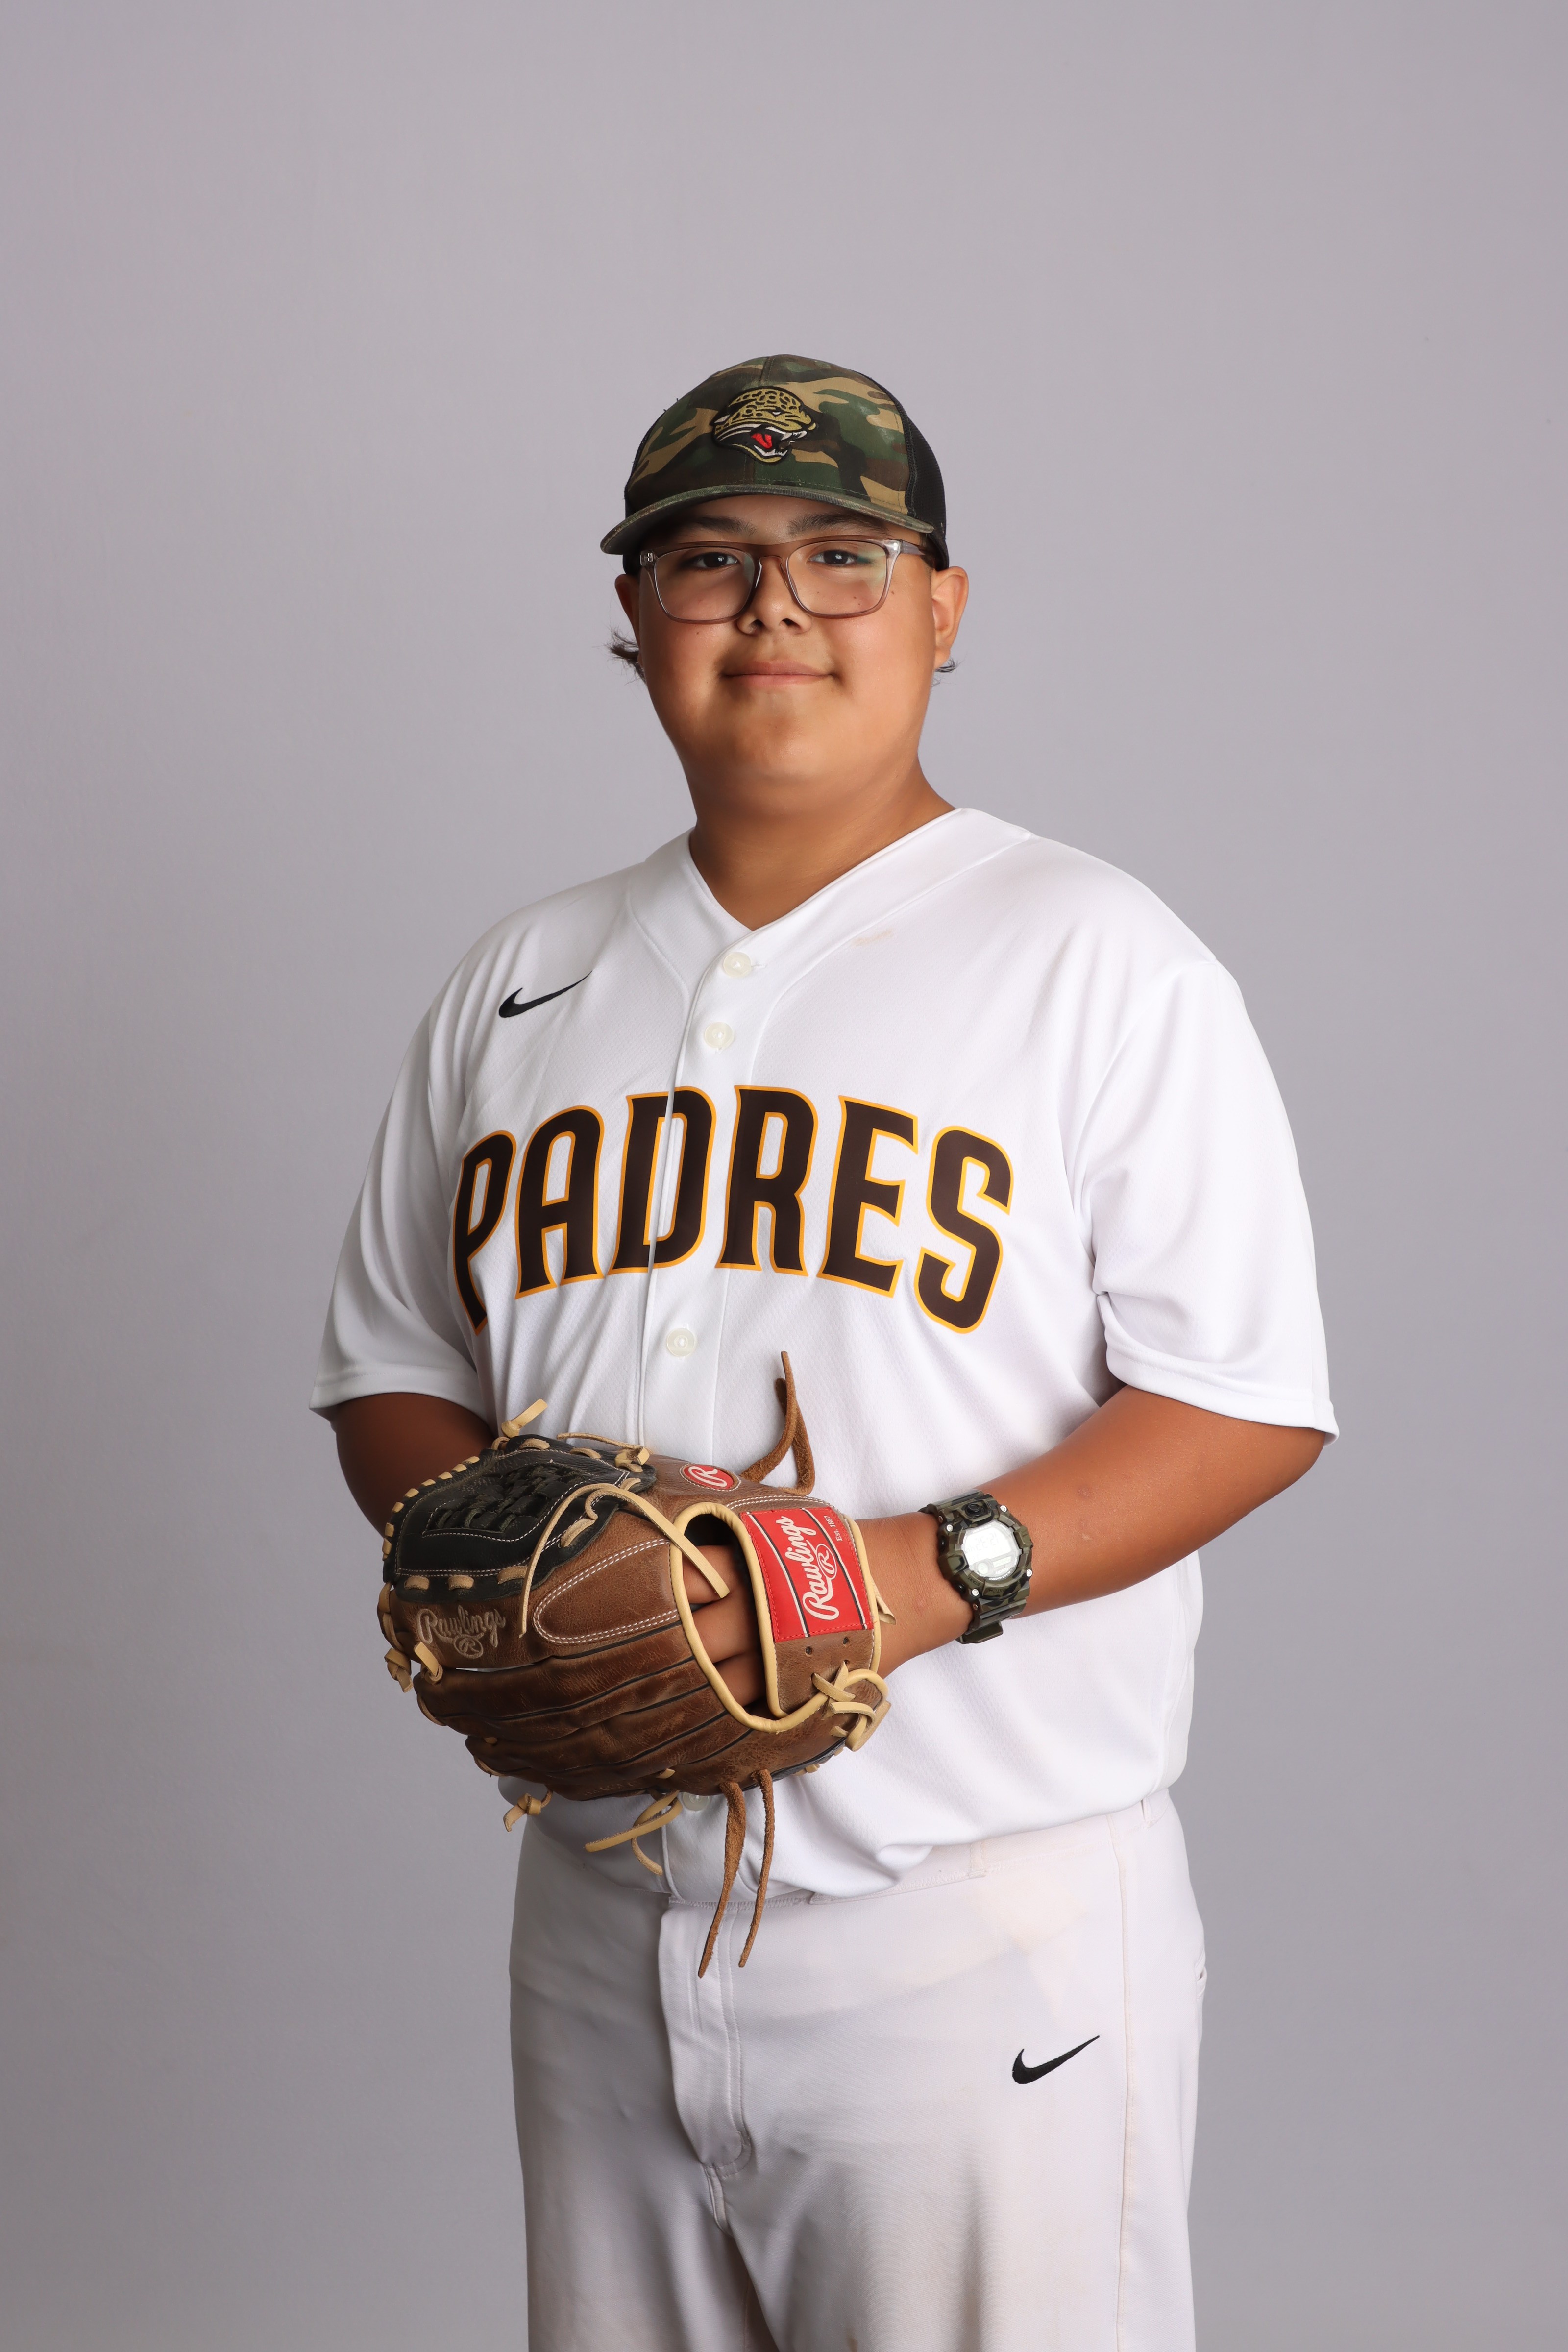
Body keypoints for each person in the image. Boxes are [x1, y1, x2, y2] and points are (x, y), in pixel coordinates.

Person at [313, 353, 1335, 2352]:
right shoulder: (519, 981)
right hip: (598, 1907)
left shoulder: (1097, 956)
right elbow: (390, 1363)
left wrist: (903, 1579)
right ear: (634, 620)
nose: (773, 604)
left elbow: (1243, 1398)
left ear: (942, 608)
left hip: (973, 1921)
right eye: (707, 558)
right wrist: (508, 1578)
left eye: (841, 555)